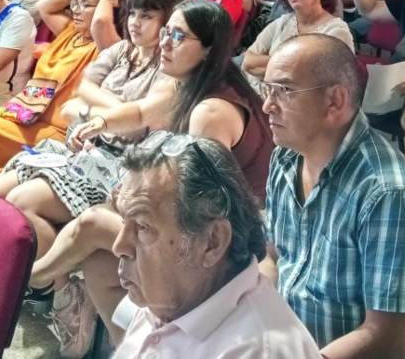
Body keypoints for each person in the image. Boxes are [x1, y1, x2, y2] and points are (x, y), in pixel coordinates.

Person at [29, 0, 274, 346]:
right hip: (201, 220)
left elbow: (198, 200)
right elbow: (140, 112)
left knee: (94, 222)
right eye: (166, 32)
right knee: (102, 265)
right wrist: (99, 122)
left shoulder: (211, 112)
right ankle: (137, 349)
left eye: (178, 36)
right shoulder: (187, 84)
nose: (164, 42)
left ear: (207, 50)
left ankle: (30, 280)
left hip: (224, 242)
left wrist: (131, 199)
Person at [260, 35, 405, 358]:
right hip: (302, 344)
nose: (268, 105)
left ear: (334, 101)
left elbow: (386, 341)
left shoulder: (391, 196)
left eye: (284, 91)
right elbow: (272, 255)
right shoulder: (287, 157)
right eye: (267, 90)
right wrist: (261, 318)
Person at [0, 0, 181, 264]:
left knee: (21, 202)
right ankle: (16, 270)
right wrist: (116, 113)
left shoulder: (168, 66)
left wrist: (93, 111)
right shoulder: (122, 51)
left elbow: (140, 124)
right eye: (132, 14)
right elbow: (82, 91)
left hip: (118, 164)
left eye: (147, 16)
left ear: (167, 21)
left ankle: (57, 288)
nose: (136, 23)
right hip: (83, 146)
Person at [112, 132, 321, 358]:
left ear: (212, 242)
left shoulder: (256, 351)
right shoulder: (169, 303)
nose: (119, 245)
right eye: (124, 220)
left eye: (143, 227)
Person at [0, 0, 104, 184]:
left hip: (56, 132)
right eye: (75, 4)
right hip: (27, 116)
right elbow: (44, 5)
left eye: (86, 5)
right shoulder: (70, 32)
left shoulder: (106, 46)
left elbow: (102, 22)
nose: (76, 10)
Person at [242, 0, 353, 93]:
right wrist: (292, 68)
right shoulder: (282, 22)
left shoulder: (336, 31)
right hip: (262, 96)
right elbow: (248, 61)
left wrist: (265, 66)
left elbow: (317, 80)